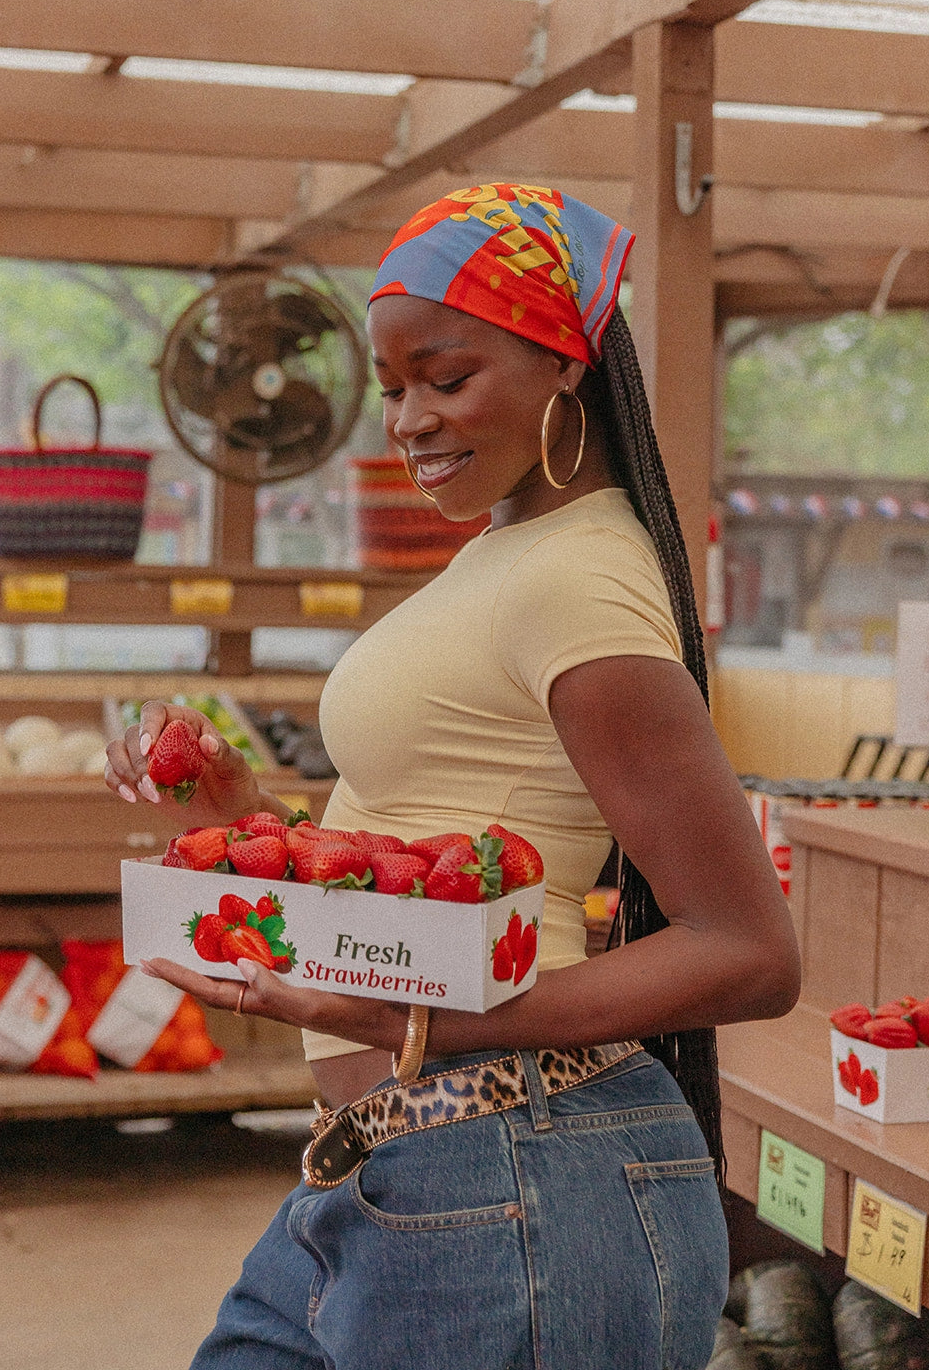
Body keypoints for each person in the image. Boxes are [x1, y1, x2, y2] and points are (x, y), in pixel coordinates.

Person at [105, 183, 801, 1370]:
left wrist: (413, 1020)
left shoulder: (578, 579)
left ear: (563, 363)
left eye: (446, 376)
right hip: (400, 1167)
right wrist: (242, 824)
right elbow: (428, 854)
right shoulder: (511, 554)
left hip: (521, 1167)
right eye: (389, 388)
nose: (409, 420)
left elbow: (748, 949)